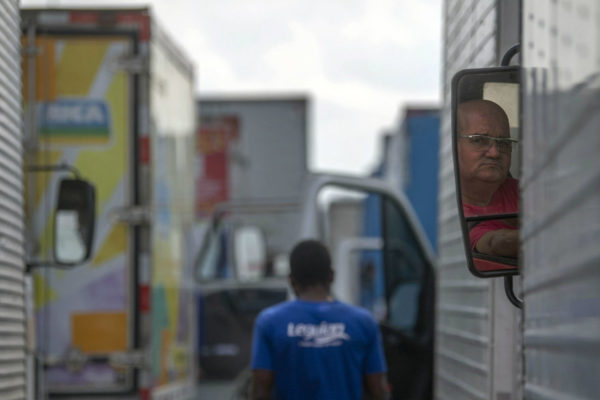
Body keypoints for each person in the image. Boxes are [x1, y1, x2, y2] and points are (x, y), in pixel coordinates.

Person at [250, 239, 389, 400]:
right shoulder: (363, 322)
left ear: (291, 280)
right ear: (331, 276)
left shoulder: (270, 322)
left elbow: (260, 390)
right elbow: (378, 390)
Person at [457, 99, 519, 258]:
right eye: (479, 140)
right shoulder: (455, 212)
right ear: (454, 146)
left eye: (504, 142)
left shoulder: (527, 191)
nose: (495, 153)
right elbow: (496, 244)